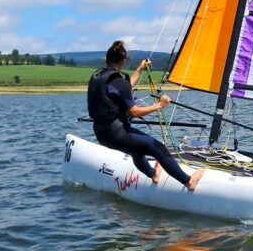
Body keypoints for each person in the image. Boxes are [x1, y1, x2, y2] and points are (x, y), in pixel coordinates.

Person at [87, 40, 204, 191]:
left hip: (102, 133)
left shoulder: (99, 77)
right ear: (123, 61)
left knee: (136, 149)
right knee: (159, 149)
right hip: (118, 133)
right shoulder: (118, 81)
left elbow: (124, 88)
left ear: (107, 59)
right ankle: (189, 182)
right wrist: (159, 105)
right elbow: (133, 112)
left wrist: (140, 69)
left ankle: (153, 175)